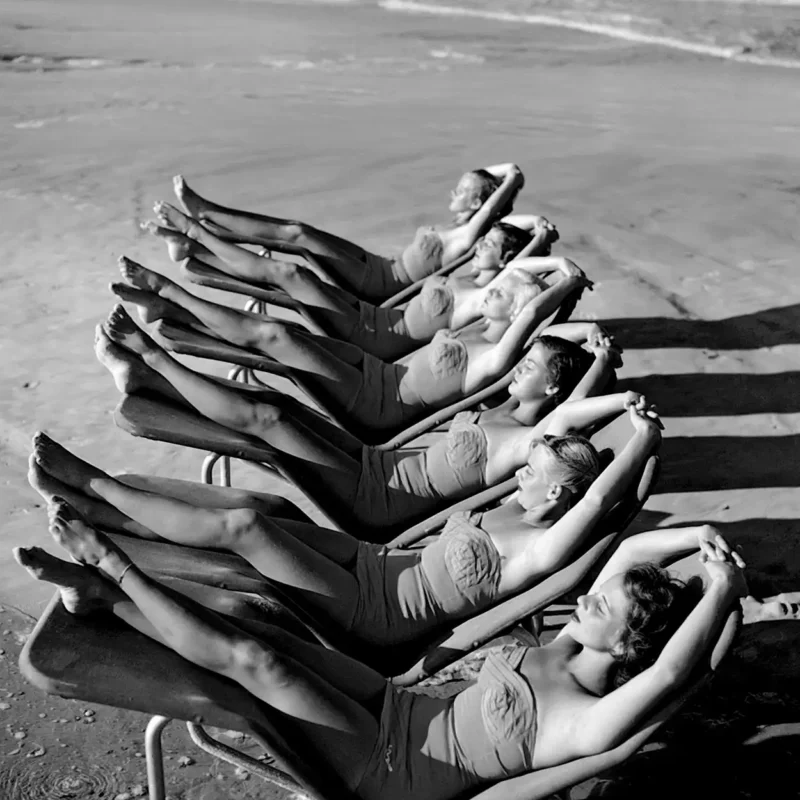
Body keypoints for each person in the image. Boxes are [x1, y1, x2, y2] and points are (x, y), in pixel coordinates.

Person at [15, 496, 749, 800]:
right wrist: (700, 541)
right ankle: (100, 597)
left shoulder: (585, 722)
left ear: (627, 646)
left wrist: (721, 597)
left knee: (258, 663)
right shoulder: (564, 643)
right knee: (266, 628)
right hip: (394, 699)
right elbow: (627, 555)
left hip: (389, 769)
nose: (587, 597)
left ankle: (109, 570)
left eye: (603, 607)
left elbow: (674, 671)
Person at [24, 401, 657, 648]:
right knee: (263, 514)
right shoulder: (522, 503)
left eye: (532, 473)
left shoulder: (542, 548)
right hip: (372, 562)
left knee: (247, 529)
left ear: (559, 492)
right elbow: (562, 425)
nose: (518, 475)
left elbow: (601, 502)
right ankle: (107, 510)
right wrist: (624, 409)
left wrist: (644, 443)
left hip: (374, 614)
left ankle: (96, 490)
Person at [95, 313, 622, 535]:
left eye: (532, 368)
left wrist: (604, 371)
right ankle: (149, 380)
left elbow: (572, 407)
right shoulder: (502, 405)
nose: (520, 367)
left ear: (553, 390)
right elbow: (532, 328)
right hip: (374, 461)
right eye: (524, 361)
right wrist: (589, 332)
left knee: (268, 418)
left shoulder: (529, 442)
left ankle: (152, 362)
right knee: (275, 403)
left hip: (379, 500)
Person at [102, 250, 592, 440]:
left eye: (504, 296)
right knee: (277, 335)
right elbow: (516, 271)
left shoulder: (496, 360)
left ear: (518, 315)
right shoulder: (480, 325)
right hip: (370, 369)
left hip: (378, 404)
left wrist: (567, 286)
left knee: (276, 337)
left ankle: (167, 300)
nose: (494, 291)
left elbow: (534, 314)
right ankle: (169, 311)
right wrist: (556, 265)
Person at [138, 208, 564, 361]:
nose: (483, 242)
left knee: (291, 274)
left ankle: (196, 240)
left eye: (492, 245)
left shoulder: (485, 298)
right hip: (371, 313)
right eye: (484, 239)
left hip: (376, 337)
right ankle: (197, 243)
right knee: (293, 262)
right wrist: (538, 228)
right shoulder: (473, 278)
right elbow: (501, 217)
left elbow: (527, 294)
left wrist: (556, 261)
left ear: (507, 262)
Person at [150, 166, 536, 302]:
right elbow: (496, 176)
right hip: (378, 264)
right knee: (301, 230)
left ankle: (203, 221)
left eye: (463, 191)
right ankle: (201, 228)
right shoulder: (457, 225)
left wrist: (512, 181)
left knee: (296, 235)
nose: (453, 193)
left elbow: (500, 195)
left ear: (479, 202)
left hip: (381, 283)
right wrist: (507, 176)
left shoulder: (465, 238)